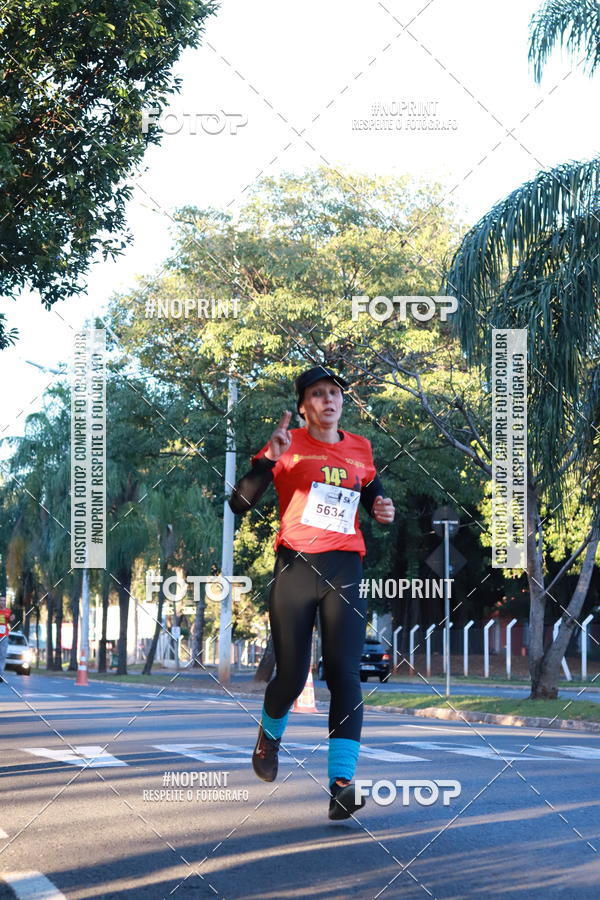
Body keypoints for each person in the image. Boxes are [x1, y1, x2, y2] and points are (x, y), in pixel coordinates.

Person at [229, 365, 395, 819]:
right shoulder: (288, 444)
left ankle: (341, 785)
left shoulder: (361, 448)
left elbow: (374, 496)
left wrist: (383, 509)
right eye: (318, 394)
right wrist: (269, 458)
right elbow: (239, 502)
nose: (329, 400)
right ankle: (269, 738)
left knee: (345, 673)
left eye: (334, 393)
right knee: (291, 673)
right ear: (303, 407)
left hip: (345, 567)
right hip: (296, 567)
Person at [0, 597, 12, 683]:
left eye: (4, 600)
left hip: (4, 636)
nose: (2, 602)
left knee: (3, 655)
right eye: (1, 600)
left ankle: (1, 675)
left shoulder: (8, 611)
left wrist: (12, 619)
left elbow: (10, 620)